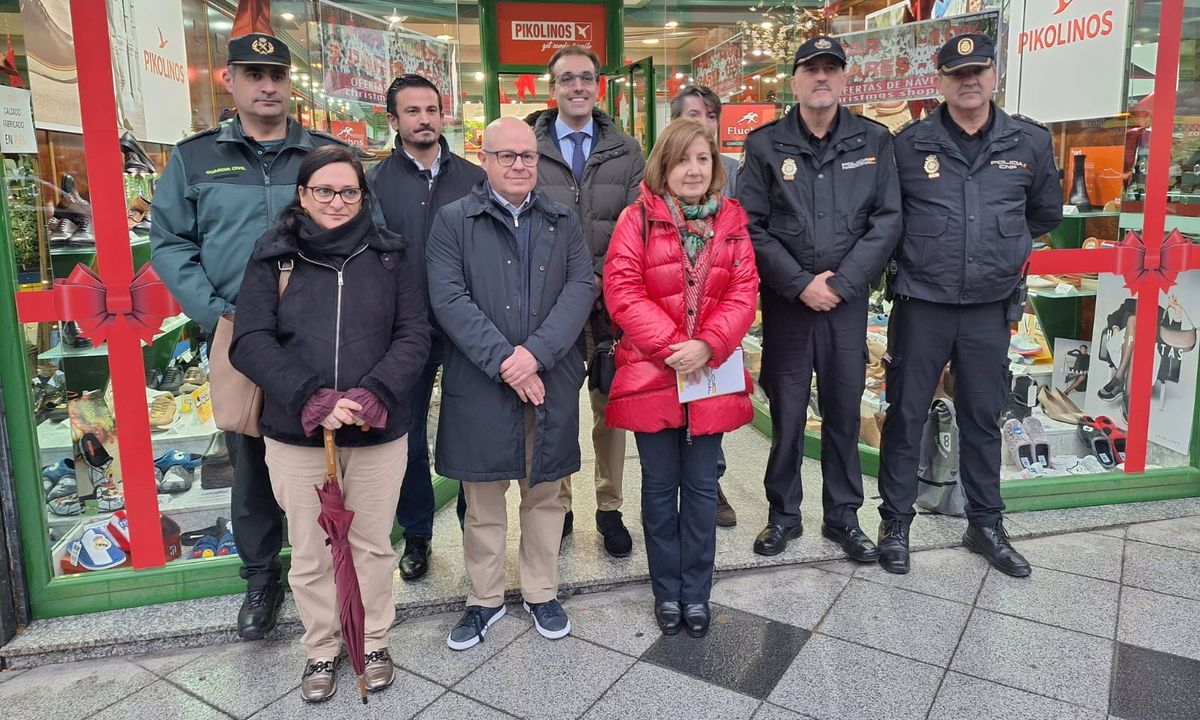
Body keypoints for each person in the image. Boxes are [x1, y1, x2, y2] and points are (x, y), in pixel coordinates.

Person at [150, 32, 345, 640]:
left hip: (321, 335)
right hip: (239, 335)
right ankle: (262, 577)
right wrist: (217, 313)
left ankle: (333, 569)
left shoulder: (325, 154)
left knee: (326, 457)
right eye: (253, 74)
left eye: (277, 75)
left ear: (291, 84)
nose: (267, 85)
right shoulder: (196, 158)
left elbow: (367, 231)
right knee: (250, 460)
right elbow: (171, 244)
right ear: (229, 82)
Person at [228, 145, 430, 701]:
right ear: (302, 195)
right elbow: (250, 341)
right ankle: (321, 648)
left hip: (376, 429)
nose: (337, 202)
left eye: (348, 191)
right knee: (312, 548)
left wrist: (373, 393)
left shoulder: (391, 255)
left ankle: (375, 639)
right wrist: (312, 396)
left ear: (363, 197)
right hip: (297, 432)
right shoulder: (275, 257)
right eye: (324, 191)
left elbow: (414, 334)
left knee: (370, 544)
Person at [880, 33, 1062, 576]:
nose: (969, 81)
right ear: (940, 80)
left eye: (978, 70)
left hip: (988, 307)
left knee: (983, 417)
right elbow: (888, 218)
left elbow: (1044, 215)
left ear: (993, 75)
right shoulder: (908, 144)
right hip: (921, 303)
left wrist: (997, 251)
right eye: (957, 73)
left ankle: (985, 525)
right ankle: (895, 522)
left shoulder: (1028, 142)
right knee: (906, 414)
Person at [426, 117, 594, 650]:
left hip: (550, 375)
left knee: (545, 493)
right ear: (485, 159)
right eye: (507, 156)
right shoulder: (454, 220)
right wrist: (505, 361)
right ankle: (485, 598)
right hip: (482, 379)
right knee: (483, 498)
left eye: (528, 156)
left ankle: (541, 590)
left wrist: (535, 355)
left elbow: (580, 288)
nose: (520, 164)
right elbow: (448, 297)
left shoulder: (562, 219)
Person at [738, 36, 902, 560]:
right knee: (787, 410)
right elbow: (750, 225)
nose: (822, 78)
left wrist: (842, 284)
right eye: (812, 69)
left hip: (846, 304)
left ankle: (842, 516)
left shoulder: (874, 140)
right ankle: (783, 515)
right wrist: (799, 282)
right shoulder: (765, 145)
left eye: (832, 69)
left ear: (844, 78)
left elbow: (887, 221)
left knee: (843, 408)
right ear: (795, 80)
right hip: (788, 304)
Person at [604, 119, 759, 638]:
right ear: (663, 165)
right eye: (682, 159)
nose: (693, 169)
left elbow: (743, 293)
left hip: (708, 375)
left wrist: (709, 346)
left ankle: (697, 593)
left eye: (703, 159)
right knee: (656, 488)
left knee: (699, 490)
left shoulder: (733, 222)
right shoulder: (637, 219)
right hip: (655, 372)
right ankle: (665, 593)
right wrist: (677, 349)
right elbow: (622, 290)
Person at [526, 46, 645, 557]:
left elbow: (638, 224)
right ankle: (562, 504)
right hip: (551, 306)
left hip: (612, 303)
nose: (577, 86)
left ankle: (609, 506)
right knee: (554, 410)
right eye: (566, 78)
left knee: (611, 408)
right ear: (551, 87)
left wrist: (603, 282)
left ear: (599, 86)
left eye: (586, 78)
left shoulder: (626, 149)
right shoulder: (528, 147)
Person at [368, 74, 485, 582]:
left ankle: (473, 528)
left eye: (432, 110)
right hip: (402, 332)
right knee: (407, 438)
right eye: (412, 111)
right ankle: (416, 533)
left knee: (468, 431)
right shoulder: (372, 183)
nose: (425, 119)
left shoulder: (475, 177)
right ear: (393, 121)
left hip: (465, 327)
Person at [668, 85, 741, 527]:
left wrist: (714, 337)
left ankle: (711, 483)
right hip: (670, 319)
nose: (703, 122)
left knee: (713, 406)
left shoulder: (733, 171)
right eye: (693, 114)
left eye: (710, 114)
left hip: (717, 321)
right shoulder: (661, 174)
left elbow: (745, 251)